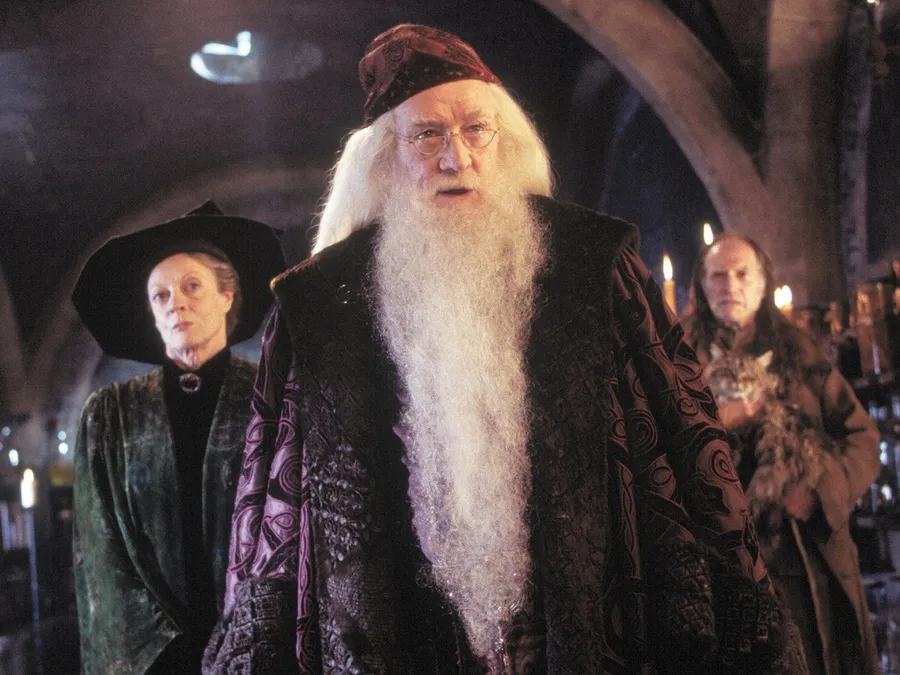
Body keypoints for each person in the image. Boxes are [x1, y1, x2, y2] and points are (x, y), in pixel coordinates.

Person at [205, 25, 803, 674]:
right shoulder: (318, 305)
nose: (456, 158)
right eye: (427, 135)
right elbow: (277, 517)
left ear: (505, 138)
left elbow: (680, 448)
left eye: (475, 129)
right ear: (385, 157)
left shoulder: (594, 266)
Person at [72, 202, 284, 674]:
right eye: (160, 295)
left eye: (191, 286)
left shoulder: (270, 398)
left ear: (227, 295)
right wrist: (165, 652)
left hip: (255, 647)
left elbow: (290, 530)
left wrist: (245, 639)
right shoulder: (111, 415)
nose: (175, 303)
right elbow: (100, 556)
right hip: (157, 661)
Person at [681, 233, 880, 675]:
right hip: (719, 564)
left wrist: (819, 493)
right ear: (702, 284)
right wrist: (718, 420)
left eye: (742, 274)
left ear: (762, 284)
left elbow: (863, 438)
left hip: (803, 561)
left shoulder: (798, 353)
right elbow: (656, 447)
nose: (730, 285)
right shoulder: (679, 358)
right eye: (718, 275)